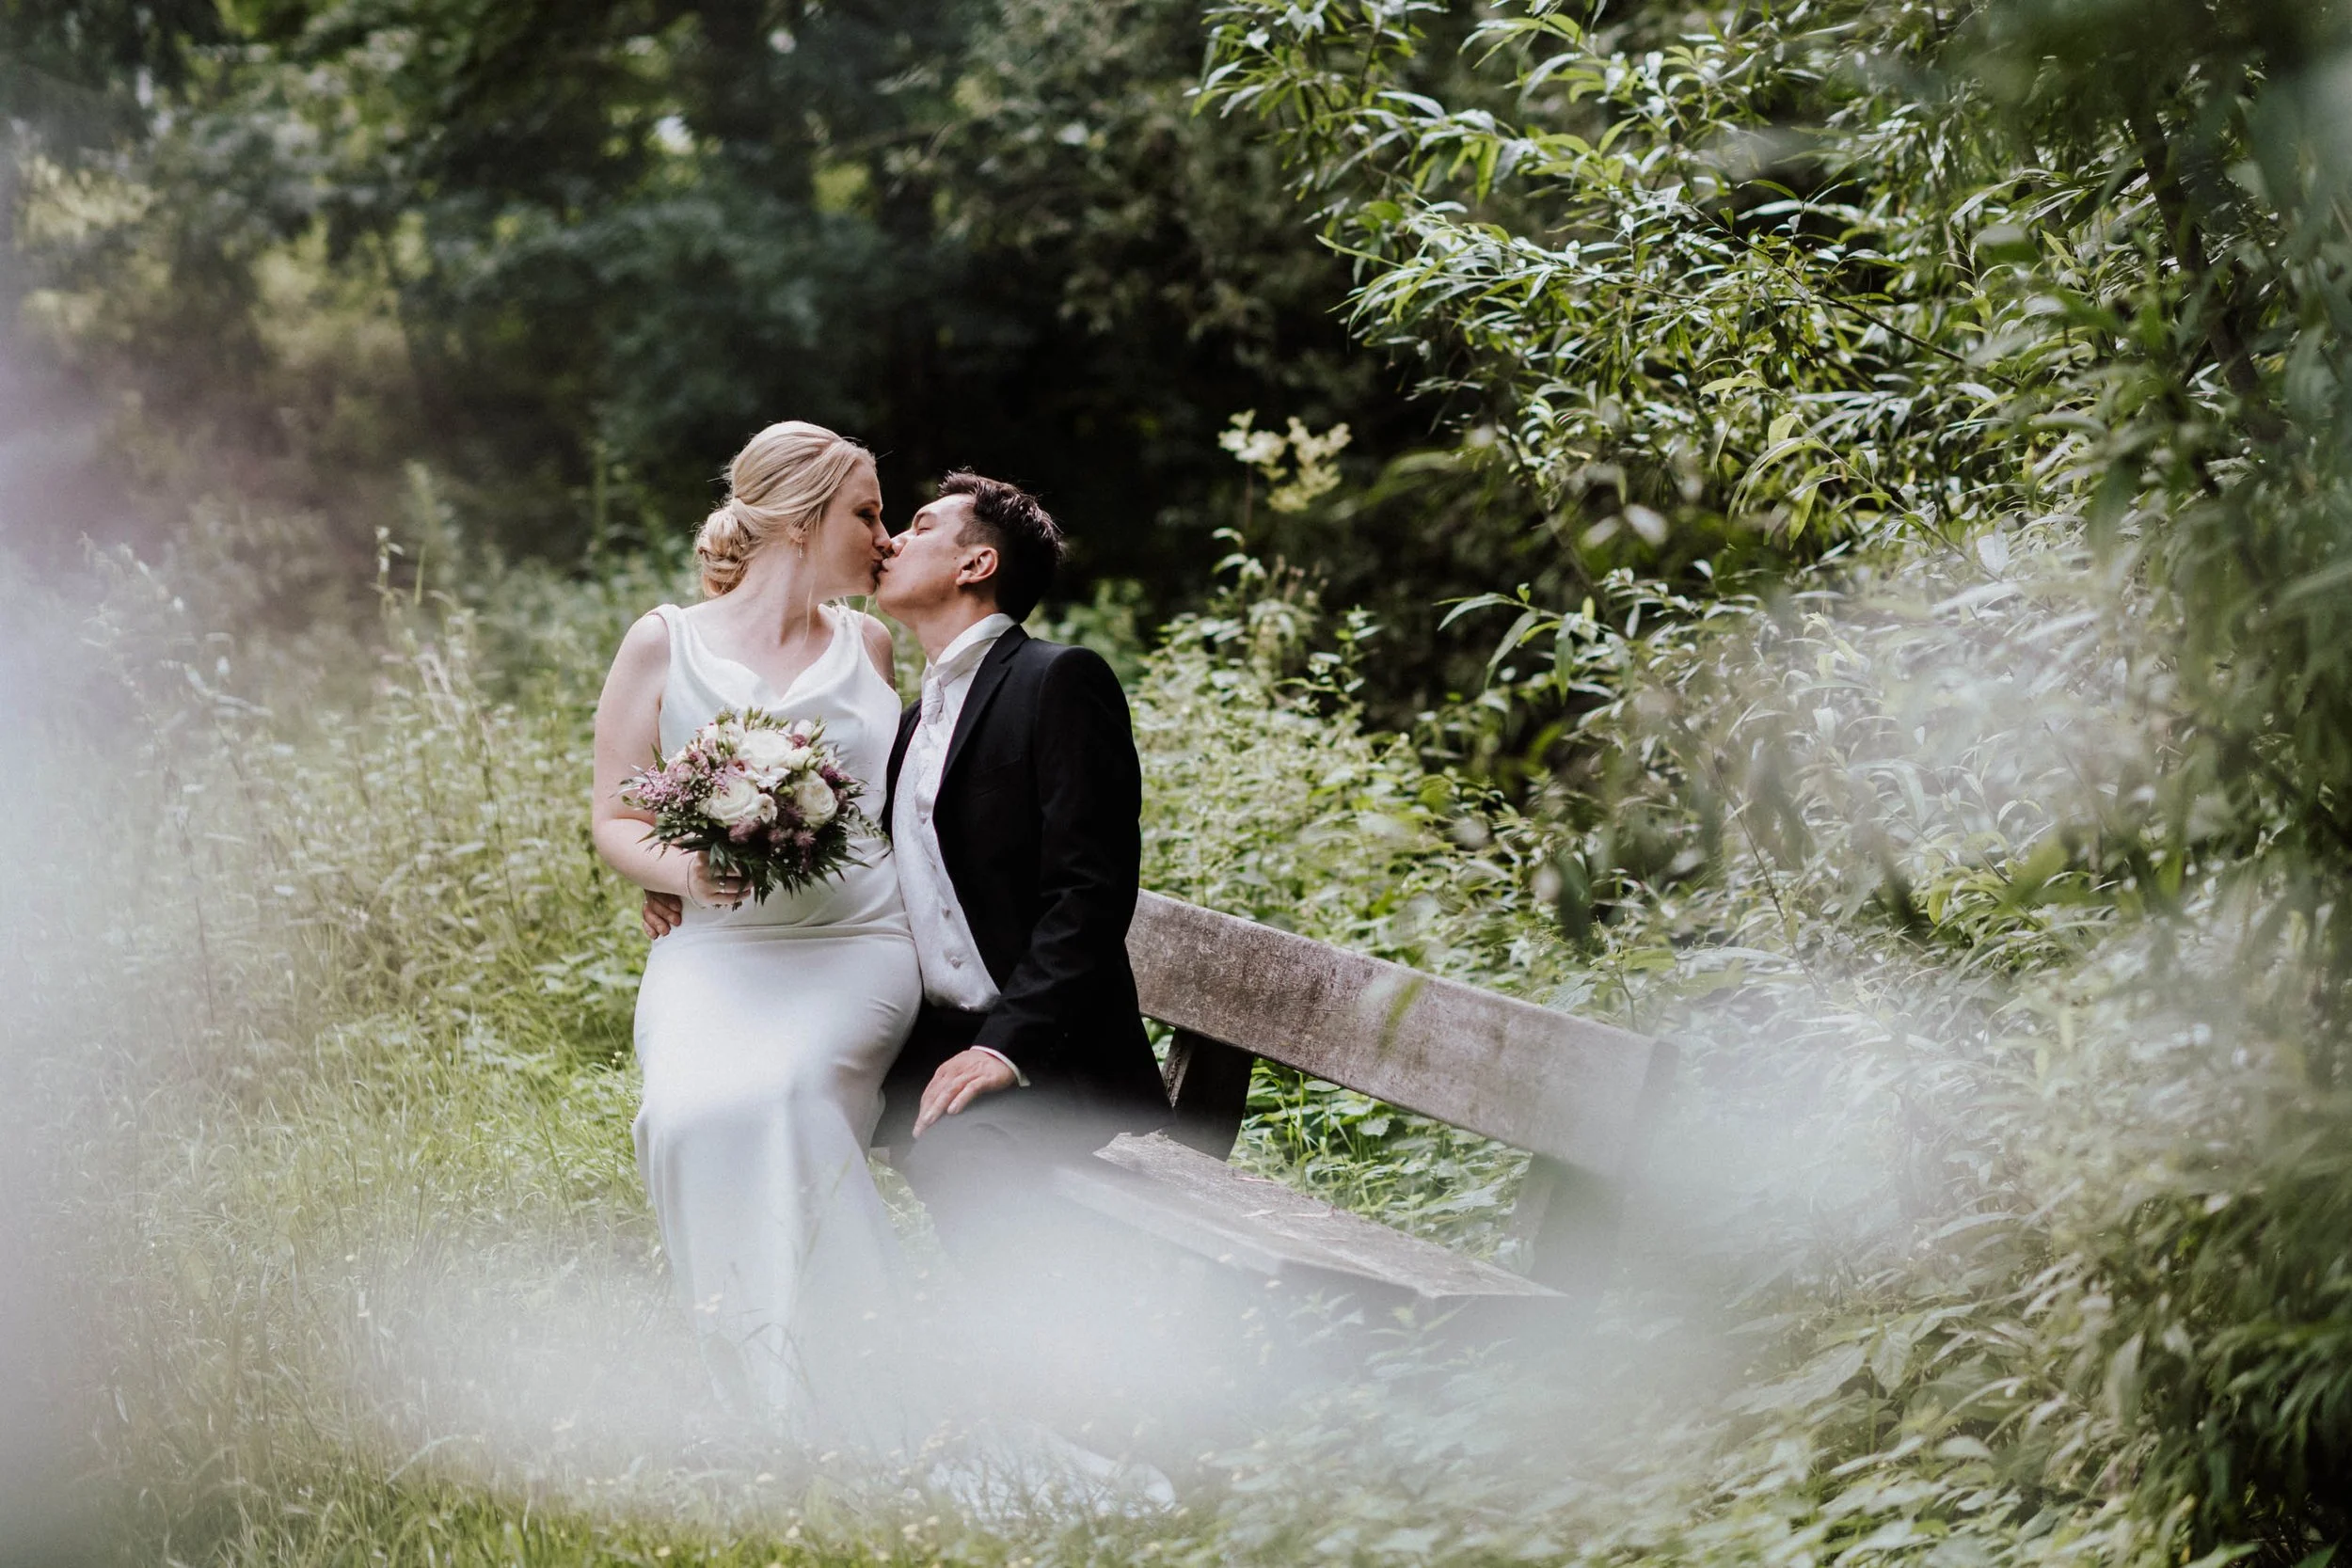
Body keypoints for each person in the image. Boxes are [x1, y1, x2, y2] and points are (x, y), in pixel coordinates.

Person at [591, 420, 921, 1426]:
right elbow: (615, 815)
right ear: (798, 518)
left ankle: (866, 1392)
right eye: (866, 512)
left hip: (856, 944)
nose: (885, 533)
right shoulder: (665, 641)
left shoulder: (868, 642)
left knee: (786, 1096)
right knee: (689, 1115)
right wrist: (681, 865)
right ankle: (760, 1394)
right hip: (716, 951)